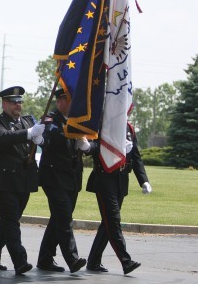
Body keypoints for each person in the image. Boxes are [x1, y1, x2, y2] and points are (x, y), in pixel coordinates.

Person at [0, 86, 45, 274]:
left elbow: (40, 140)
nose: (18, 105)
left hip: (23, 181)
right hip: (2, 183)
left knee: (9, 221)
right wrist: (29, 133)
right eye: (13, 102)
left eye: (19, 102)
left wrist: (40, 138)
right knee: (11, 221)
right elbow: (2, 138)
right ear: (4, 104)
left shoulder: (27, 121)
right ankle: (20, 261)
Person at [85, 122, 152, 275]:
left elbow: (136, 156)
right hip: (104, 178)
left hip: (121, 180)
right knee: (113, 221)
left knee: (107, 223)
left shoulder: (129, 128)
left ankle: (94, 261)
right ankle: (126, 261)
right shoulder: (102, 123)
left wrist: (144, 180)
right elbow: (94, 147)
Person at [36, 88, 90, 273]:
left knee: (58, 219)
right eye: (66, 100)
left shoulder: (77, 121)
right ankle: (72, 259)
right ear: (59, 102)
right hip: (54, 177)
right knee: (65, 218)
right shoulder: (50, 119)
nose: (71, 103)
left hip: (72, 177)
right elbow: (52, 136)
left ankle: (45, 258)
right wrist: (74, 134)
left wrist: (86, 142)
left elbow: (90, 138)